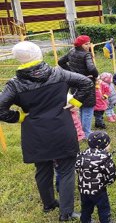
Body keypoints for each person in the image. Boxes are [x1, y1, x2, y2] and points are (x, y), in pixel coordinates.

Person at [0, 41, 93, 221]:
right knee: (66, 171)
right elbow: (86, 83)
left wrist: (19, 117)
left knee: (42, 170)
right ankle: (65, 212)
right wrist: (74, 103)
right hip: (61, 128)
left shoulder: (15, 84)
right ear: (39, 55)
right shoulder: (59, 74)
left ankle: (49, 203)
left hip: (35, 133)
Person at [58, 35, 98, 139]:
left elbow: (60, 61)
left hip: (75, 83)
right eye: (86, 44)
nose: (88, 46)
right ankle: (87, 132)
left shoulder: (71, 51)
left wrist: (71, 73)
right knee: (88, 108)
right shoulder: (86, 54)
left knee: (80, 106)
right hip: (87, 83)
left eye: (89, 43)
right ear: (80, 45)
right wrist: (95, 75)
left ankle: (82, 130)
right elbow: (91, 68)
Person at [75, 131, 116, 223]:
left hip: (84, 188)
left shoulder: (82, 155)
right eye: (108, 144)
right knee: (103, 207)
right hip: (99, 190)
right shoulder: (105, 158)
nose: (109, 146)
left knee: (86, 207)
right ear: (104, 145)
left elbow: (76, 167)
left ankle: (85, 220)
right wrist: (107, 182)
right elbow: (112, 173)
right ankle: (106, 220)